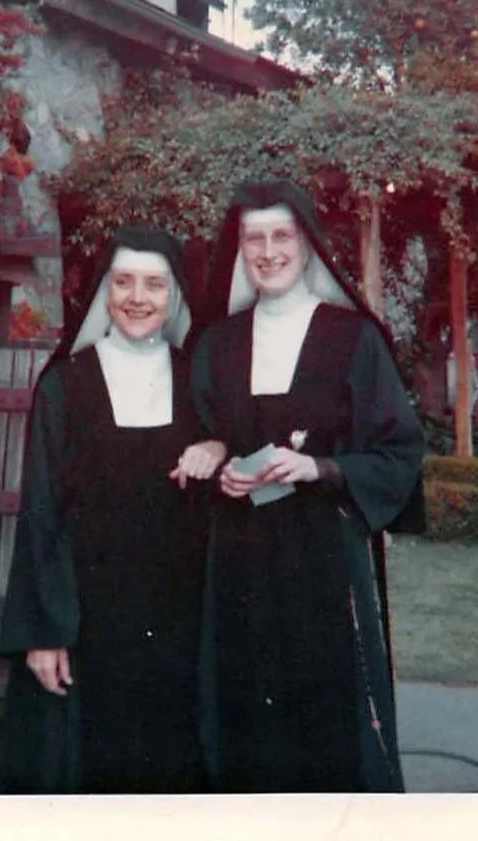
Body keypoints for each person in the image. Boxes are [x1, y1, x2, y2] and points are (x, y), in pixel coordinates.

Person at [184, 179, 426, 793]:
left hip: (323, 565)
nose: (268, 252)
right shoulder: (216, 345)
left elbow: (399, 452)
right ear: (239, 249)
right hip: (238, 569)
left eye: (281, 236)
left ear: (307, 243)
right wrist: (216, 458)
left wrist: (319, 468)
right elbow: (198, 435)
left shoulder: (352, 339)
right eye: (254, 239)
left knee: (329, 735)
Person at [0, 226, 223, 794]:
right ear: (104, 291)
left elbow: (239, 465)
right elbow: (41, 515)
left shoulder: (199, 382)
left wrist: (220, 448)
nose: (138, 298)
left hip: (179, 633)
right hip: (86, 628)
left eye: (154, 284)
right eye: (124, 282)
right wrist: (43, 632)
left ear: (176, 295)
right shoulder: (64, 386)